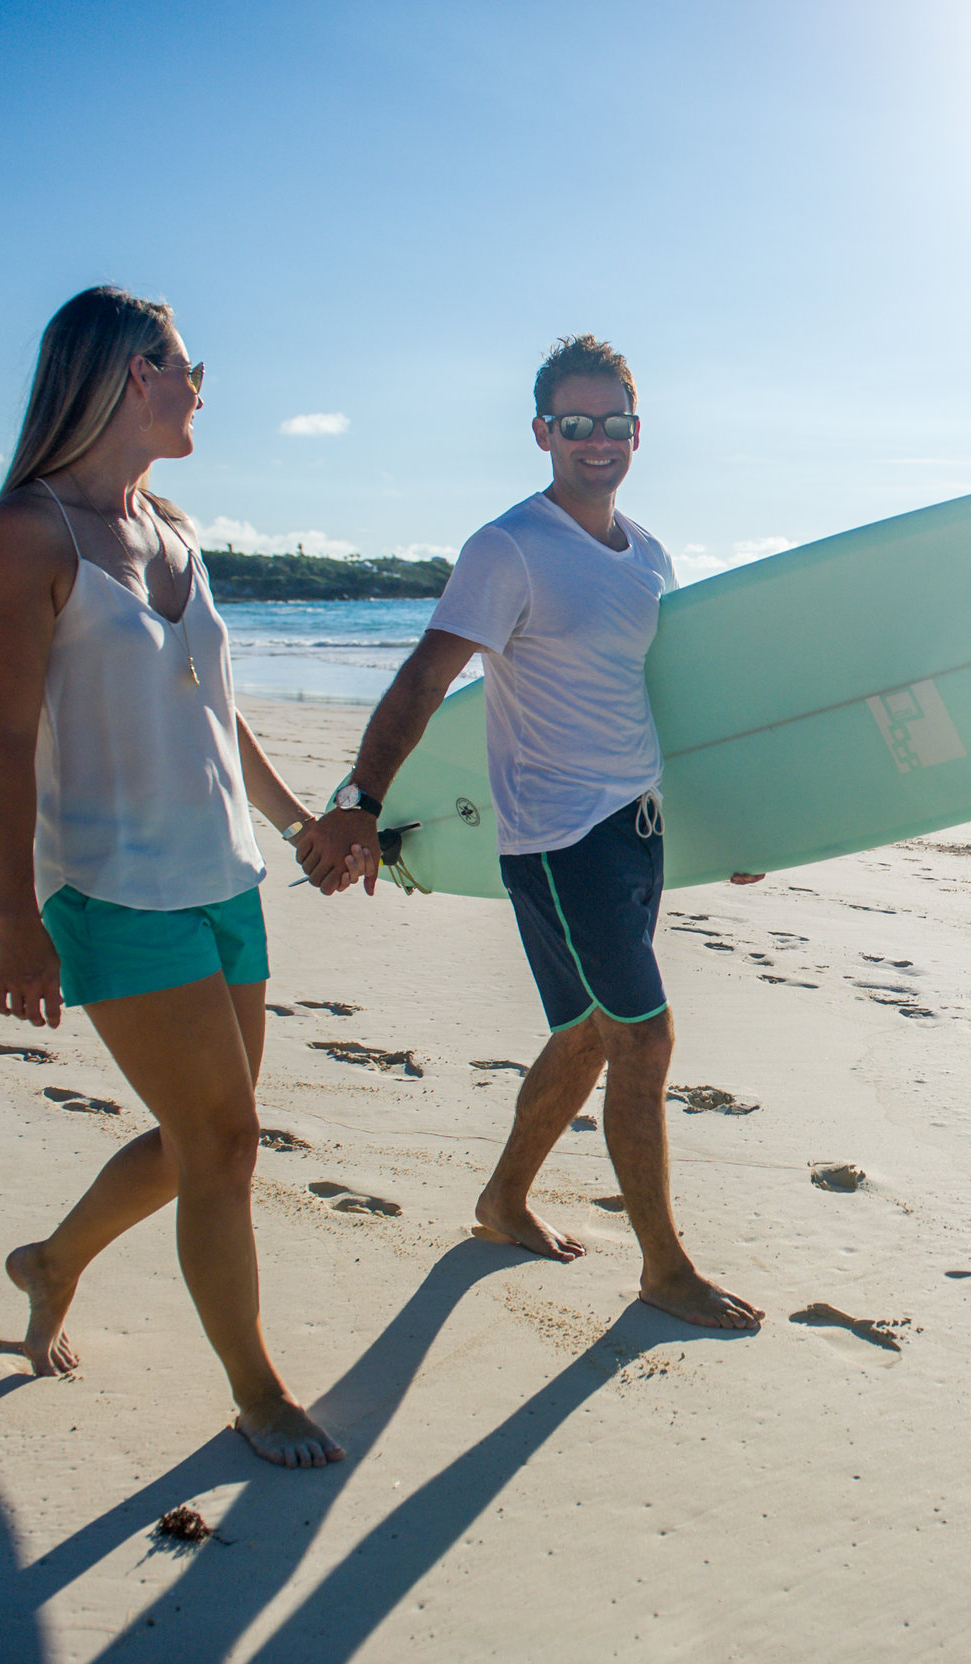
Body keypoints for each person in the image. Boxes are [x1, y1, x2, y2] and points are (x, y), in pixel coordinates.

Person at [294, 334, 763, 1331]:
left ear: (638, 430)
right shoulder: (507, 547)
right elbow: (428, 675)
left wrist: (734, 826)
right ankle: (663, 1266)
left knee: (589, 1030)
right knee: (645, 1036)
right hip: (558, 837)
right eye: (577, 424)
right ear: (543, 432)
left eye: (615, 424)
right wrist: (361, 803)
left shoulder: (648, 555)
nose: (598, 441)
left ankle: (503, 1200)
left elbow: (668, 702)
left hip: (637, 824)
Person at [0, 286, 353, 1467]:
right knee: (223, 1140)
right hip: (112, 889)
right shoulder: (26, 535)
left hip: (222, 877)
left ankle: (54, 1260)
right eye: (186, 364)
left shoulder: (171, 525)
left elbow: (217, 712)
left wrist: (297, 826)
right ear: (132, 374)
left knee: (204, 1139)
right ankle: (256, 1389)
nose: (199, 385)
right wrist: (15, 922)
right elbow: (4, 740)